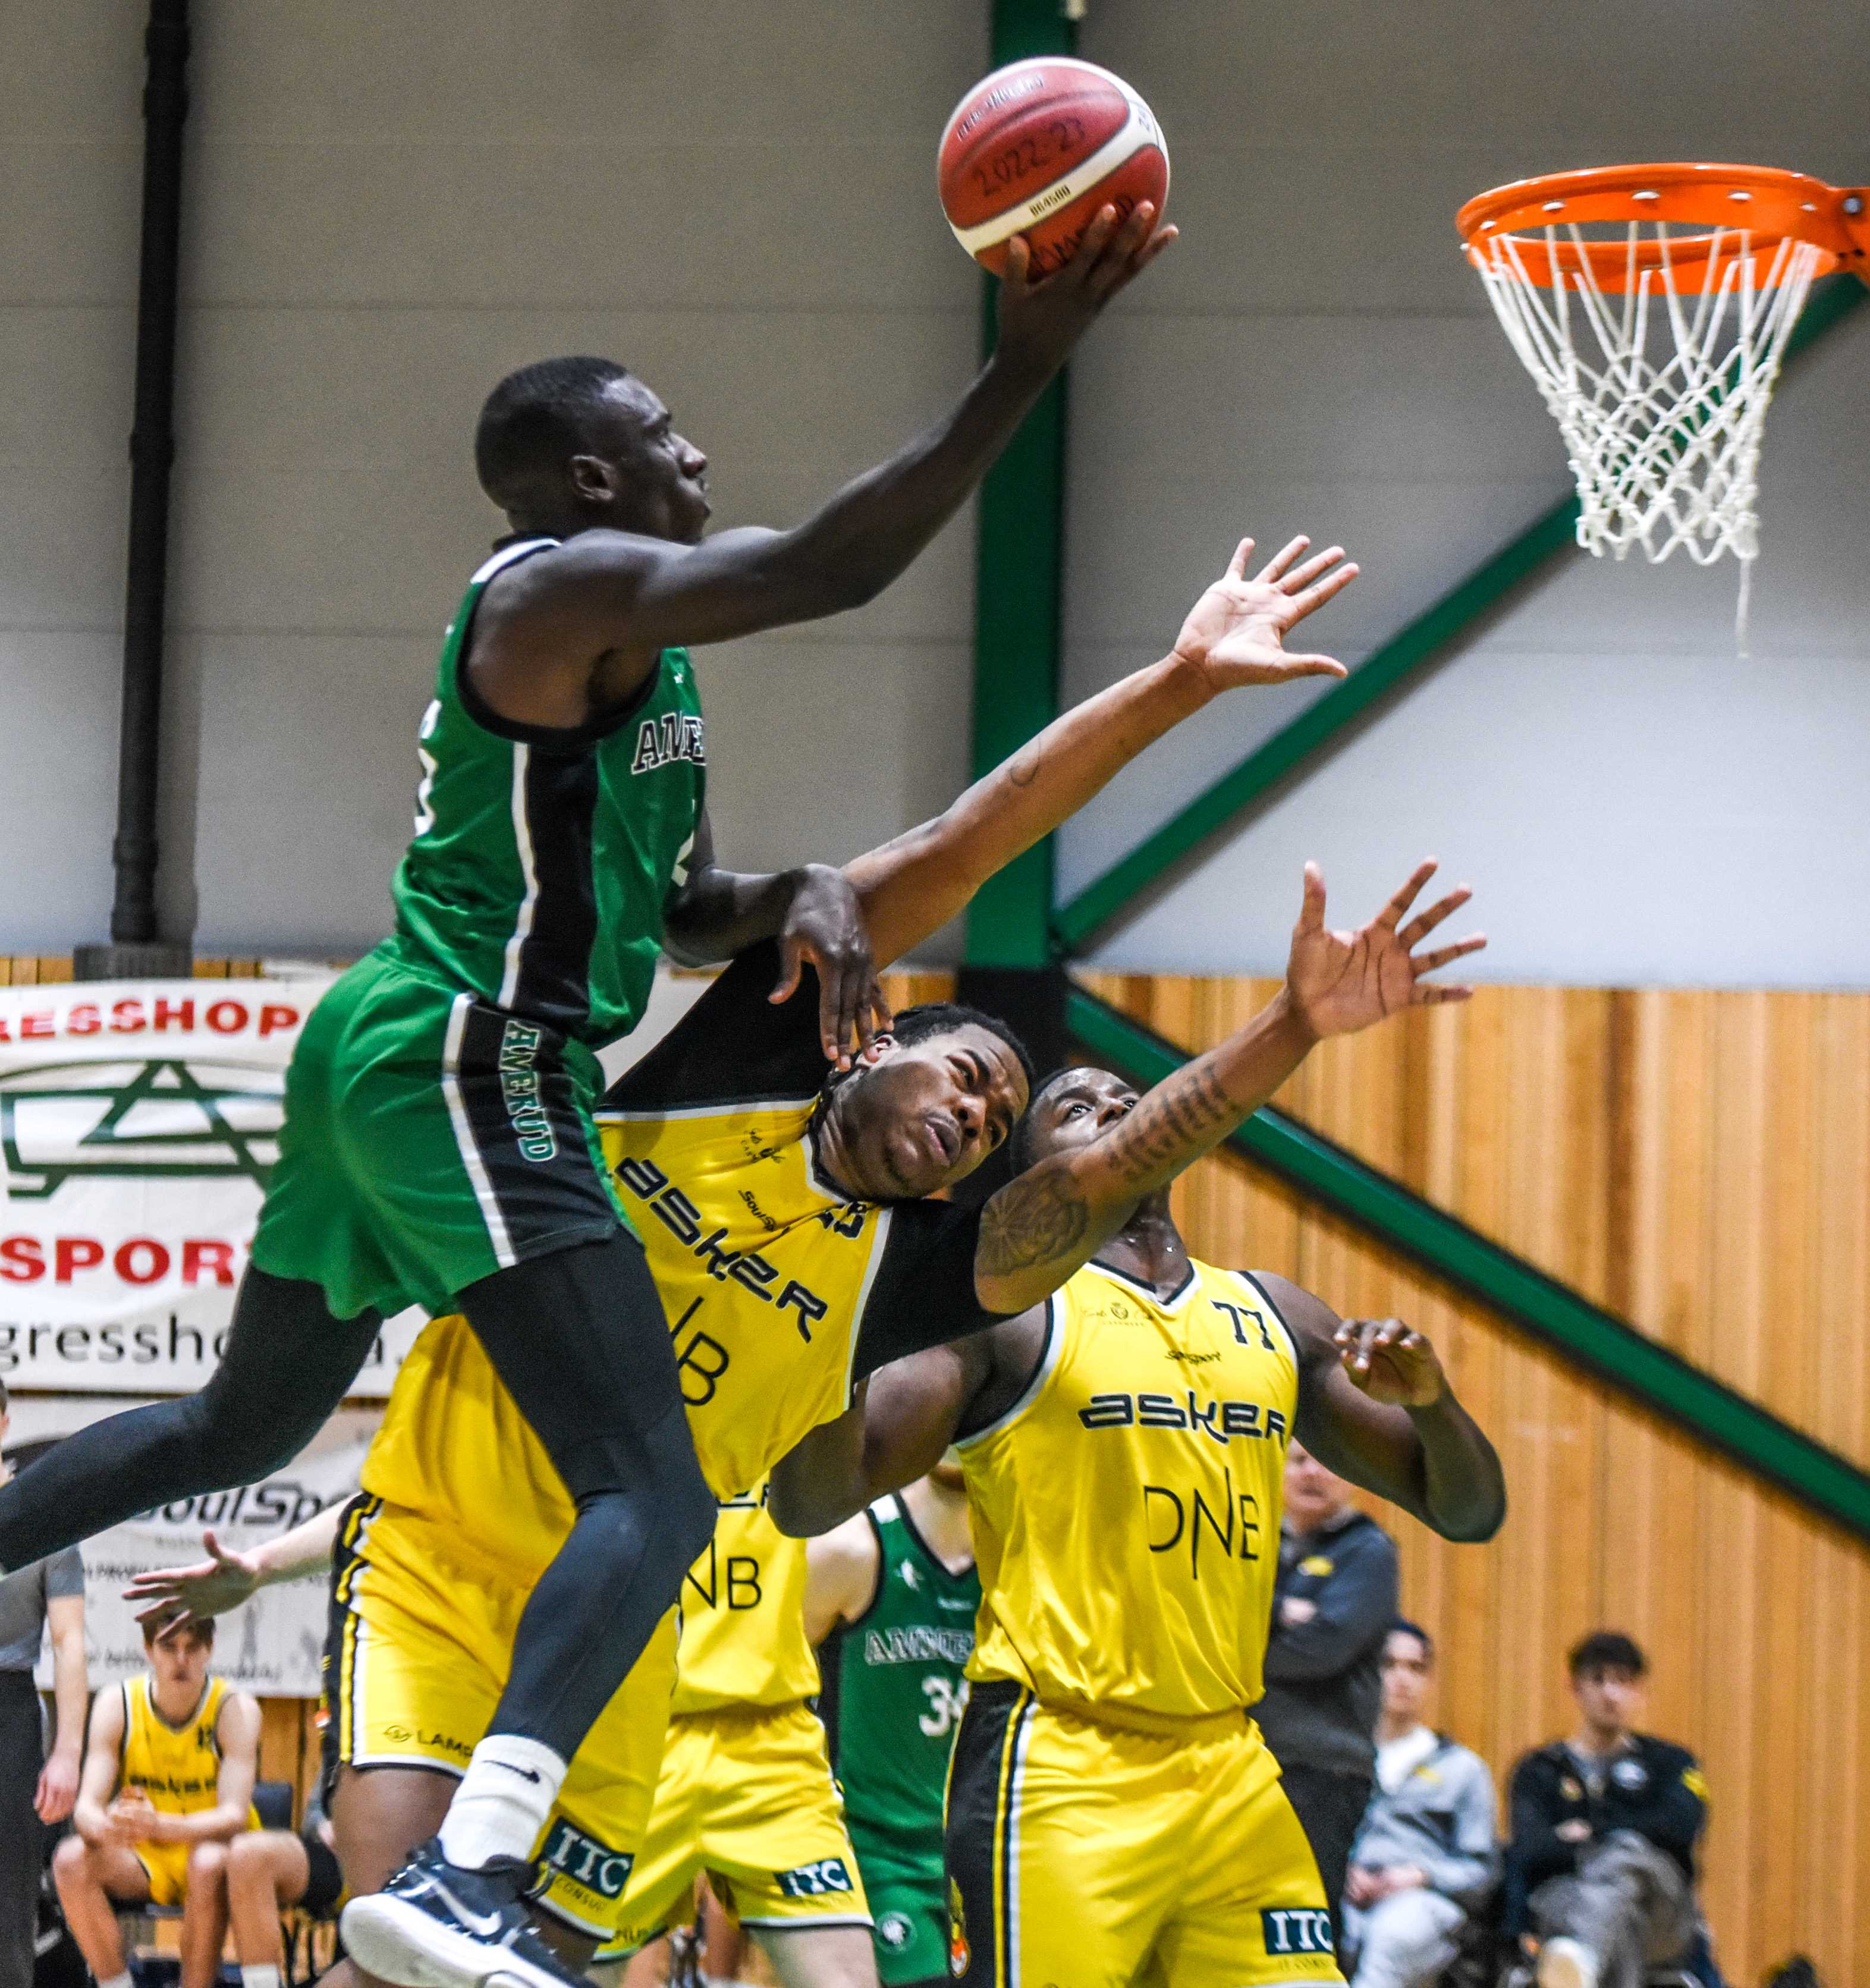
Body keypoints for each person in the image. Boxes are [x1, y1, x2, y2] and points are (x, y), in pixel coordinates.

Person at [0, 202, 1174, 1988]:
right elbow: (840, 567)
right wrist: (1020, 361)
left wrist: (789, 892)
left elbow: (676, 910)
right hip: (471, 1047)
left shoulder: (651, 667)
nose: (698, 455)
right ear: (582, 476)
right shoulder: (551, 590)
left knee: (233, 1435)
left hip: (405, 1049)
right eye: (661, 439)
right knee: (655, 1481)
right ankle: (478, 1868)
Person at [133, 536, 1465, 1988]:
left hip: (634, 1634)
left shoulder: (910, 1279)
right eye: (964, 1075)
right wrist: (1178, 680)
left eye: (991, 1127)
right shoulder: (737, 1059)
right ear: (873, 1035)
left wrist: (1287, 1029)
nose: (971, 1114)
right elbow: (976, 834)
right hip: (446, 1536)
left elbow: (1099, 1182)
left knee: (519, 1963)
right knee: (390, 1913)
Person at [765, 1105, 1506, 1988]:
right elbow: (811, 1502)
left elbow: (1469, 1511)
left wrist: (1432, 1404)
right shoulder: (1009, 1318)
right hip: (1063, 1762)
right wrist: (844, 1345)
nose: (1114, 1110)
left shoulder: (1274, 1312)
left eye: (1128, 1098)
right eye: (1076, 1107)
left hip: (1230, 1764)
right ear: (1038, 1176)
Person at [806, 1461, 979, 1988]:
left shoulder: (1031, 1558)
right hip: (883, 1862)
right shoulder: (852, 1548)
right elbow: (770, 1695)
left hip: (986, 1857)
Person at [52, 1617, 259, 1988]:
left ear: (209, 1650)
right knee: (70, 1860)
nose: (181, 1660)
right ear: (148, 1650)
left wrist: (159, 1824)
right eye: (168, 1647)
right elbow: (86, 1809)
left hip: (217, 1854)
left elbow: (235, 1816)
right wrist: (106, 1826)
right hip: (149, 1859)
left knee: (208, 1862)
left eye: (192, 1648)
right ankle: (117, 1985)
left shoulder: (235, 1709)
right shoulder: (118, 1703)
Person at [1506, 1632, 1711, 1988]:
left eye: (1623, 1682)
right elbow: (1529, 1849)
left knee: (1626, 1852)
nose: (1611, 1694)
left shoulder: (1673, 1763)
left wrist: (1594, 1832)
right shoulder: (1538, 1769)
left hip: (1661, 1909)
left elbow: (1681, 1827)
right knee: (1617, 1916)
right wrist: (1631, 1830)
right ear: (1575, 1688)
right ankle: (1583, 1962)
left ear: (1639, 1691)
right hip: (1567, 1902)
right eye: (1598, 1680)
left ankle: (1580, 1958)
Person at [1255, 1442, 1403, 1933]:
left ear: (1353, 1476)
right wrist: (1280, 1613)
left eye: (1329, 1460)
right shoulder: (1254, 1542)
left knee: (1307, 1920)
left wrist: (1238, 1652)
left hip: (1323, 1769)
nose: (1312, 1472)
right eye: (1299, 1460)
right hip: (1249, 1759)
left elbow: (1324, 1649)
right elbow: (1206, 1611)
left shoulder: (1369, 1550)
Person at [1340, 1621, 1498, 1988]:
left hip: (1422, 1901)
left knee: (1390, 1940)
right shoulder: (1340, 1758)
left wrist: (1421, 1875)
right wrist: (1342, 1871)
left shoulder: (1462, 1768)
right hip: (1344, 1893)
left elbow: (1483, 1873)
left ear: (1429, 1679)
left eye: (1416, 1668)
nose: (1402, 1679)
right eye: (1390, 1665)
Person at [0, 1389, 87, 1988]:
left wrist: (69, 1750)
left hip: (10, 1711)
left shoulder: (42, 1514)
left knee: (9, 1896)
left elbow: (71, 1641)